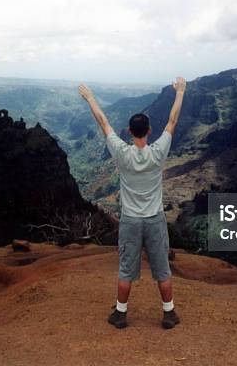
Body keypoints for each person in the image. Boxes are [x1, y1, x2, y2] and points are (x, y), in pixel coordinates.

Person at [78, 77, 187, 329]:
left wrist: (90, 98)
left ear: (129, 131)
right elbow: (172, 121)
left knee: (126, 270)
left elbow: (103, 123)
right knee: (162, 270)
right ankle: (169, 313)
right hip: (155, 220)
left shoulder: (122, 153)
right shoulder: (159, 152)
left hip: (130, 221)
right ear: (149, 131)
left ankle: (121, 314)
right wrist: (180, 92)